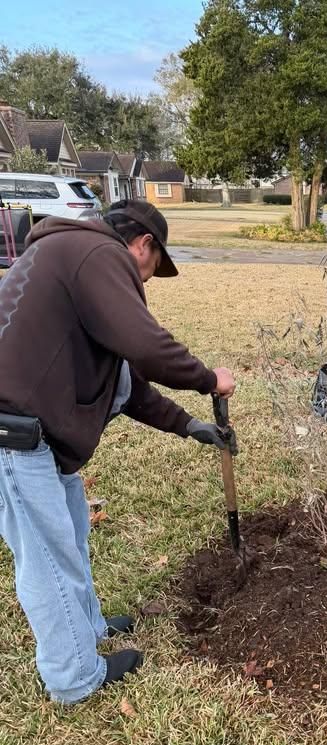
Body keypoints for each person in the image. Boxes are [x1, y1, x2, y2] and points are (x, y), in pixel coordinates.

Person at [0, 199, 235, 704]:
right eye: (152, 269)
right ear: (142, 244)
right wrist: (208, 380)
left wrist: (191, 426)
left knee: (71, 538)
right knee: (46, 556)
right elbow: (147, 346)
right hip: (11, 435)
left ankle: (89, 630)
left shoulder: (70, 258)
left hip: (37, 433)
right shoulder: (95, 253)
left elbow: (130, 385)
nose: (145, 283)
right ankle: (74, 677)